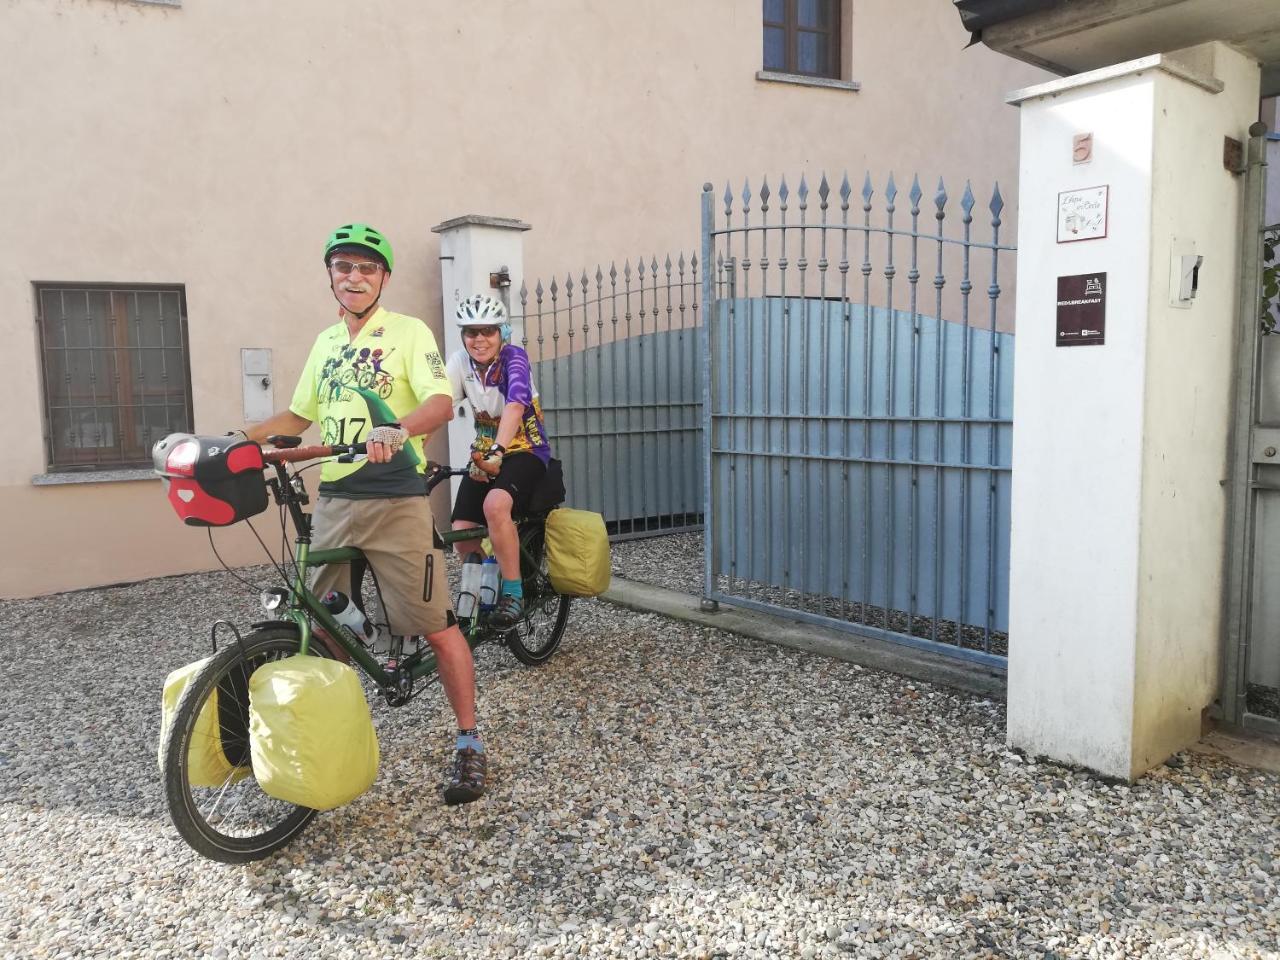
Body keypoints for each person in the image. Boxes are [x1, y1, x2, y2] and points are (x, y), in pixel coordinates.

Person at [243, 223, 486, 806]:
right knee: (321, 621)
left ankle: (470, 742)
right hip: (335, 499)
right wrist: (231, 442)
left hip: (395, 496)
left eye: (366, 268)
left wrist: (396, 428)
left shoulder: (407, 332)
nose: (354, 277)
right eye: (343, 266)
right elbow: (296, 419)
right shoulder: (326, 343)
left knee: (434, 623)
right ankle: (329, 730)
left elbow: (439, 401)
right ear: (330, 274)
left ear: (383, 278)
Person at [446, 295, 553, 630]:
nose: (479, 339)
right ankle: (480, 586)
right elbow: (440, 405)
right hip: (484, 453)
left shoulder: (514, 358)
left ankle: (513, 592)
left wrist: (497, 451)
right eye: (471, 332)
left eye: (487, 331)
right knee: (461, 532)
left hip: (525, 451)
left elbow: (515, 406)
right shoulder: (460, 362)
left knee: (495, 505)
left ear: (501, 332)